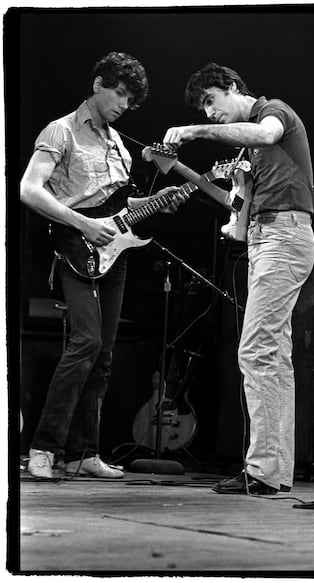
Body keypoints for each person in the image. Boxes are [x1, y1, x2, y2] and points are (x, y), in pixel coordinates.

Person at [20, 51, 188, 480]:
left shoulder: (119, 145)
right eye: (119, 94)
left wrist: (158, 203)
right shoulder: (62, 131)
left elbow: (118, 207)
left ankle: (83, 453)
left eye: (131, 100)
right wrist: (83, 224)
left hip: (113, 255)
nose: (123, 105)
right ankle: (44, 445)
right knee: (86, 343)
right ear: (98, 84)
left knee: (105, 355)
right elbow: (29, 190)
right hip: (74, 247)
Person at [163, 62, 314, 495]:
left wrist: (196, 132)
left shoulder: (274, 111)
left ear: (233, 87)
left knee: (256, 351)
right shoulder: (249, 157)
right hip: (266, 238)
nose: (209, 113)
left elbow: (265, 133)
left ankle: (263, 471)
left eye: (211, 101)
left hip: (283, 236)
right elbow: (232, 210)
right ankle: (276, 472)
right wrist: (180, 171)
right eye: (201, 110)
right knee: (273, 357)